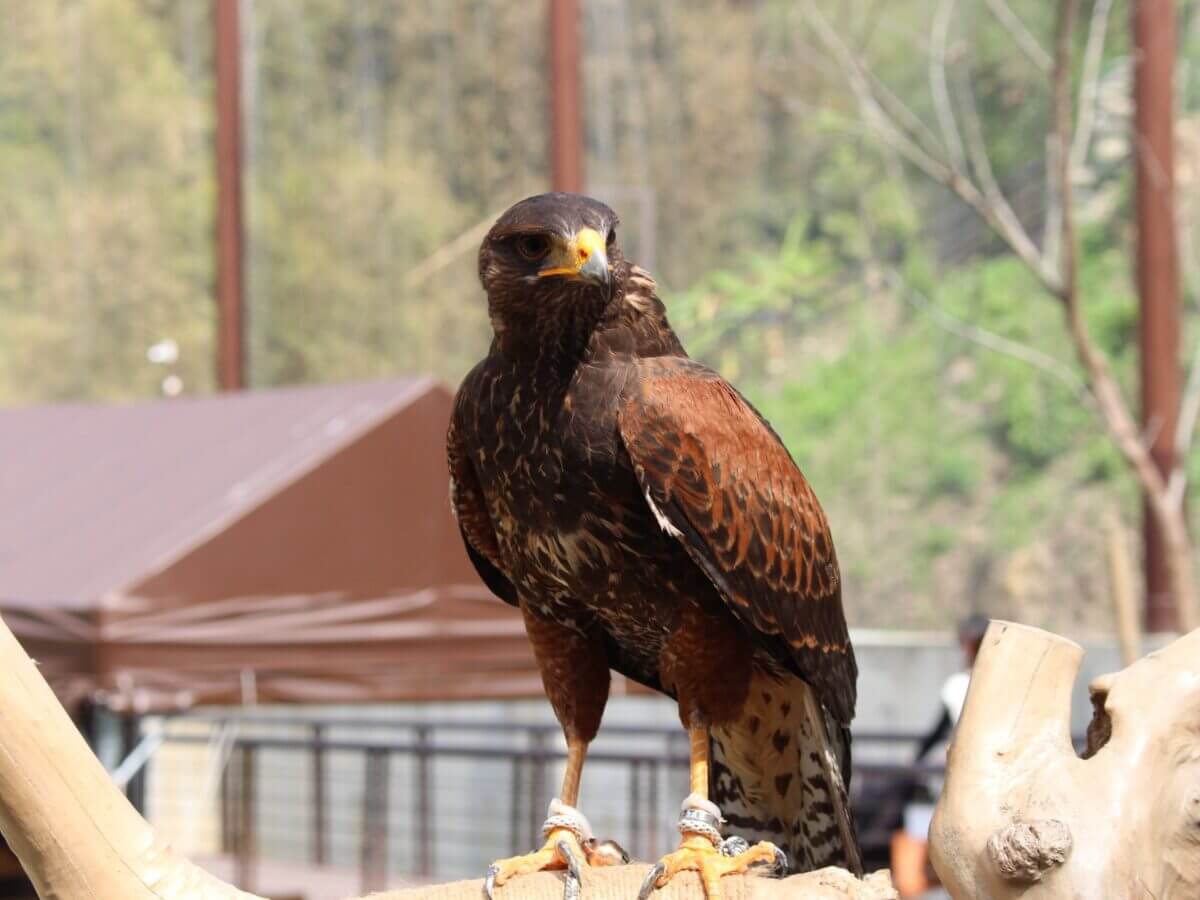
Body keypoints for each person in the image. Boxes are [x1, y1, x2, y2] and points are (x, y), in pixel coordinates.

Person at [891, 614, 990, 898]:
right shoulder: (1004, 685)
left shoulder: (959, 686)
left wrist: (914, 760)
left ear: (968, 644)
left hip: (961, 778)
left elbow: (938, 731)